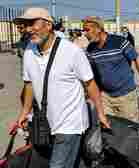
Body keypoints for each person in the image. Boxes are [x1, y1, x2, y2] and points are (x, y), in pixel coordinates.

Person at [15, 8, 110, 168]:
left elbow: (90, 83)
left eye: (33, 23)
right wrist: (25, 112)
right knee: (71, 161)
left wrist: (100, 113)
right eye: (26, 25)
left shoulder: (72, 51)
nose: (29, 29)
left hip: (70, 123)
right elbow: (29, 84)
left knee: (58, 165)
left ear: (48, 25)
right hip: (47, 121)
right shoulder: (29, 51)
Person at [83, 16, 139, 121]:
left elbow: (136, 58)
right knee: (109, 132)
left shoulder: (119, 42)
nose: (85, 33)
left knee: (128, 131)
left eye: (87, 30)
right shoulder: (91, 48)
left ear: (98, 29)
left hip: (126, 96)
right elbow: (92, 71)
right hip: (105, 97)